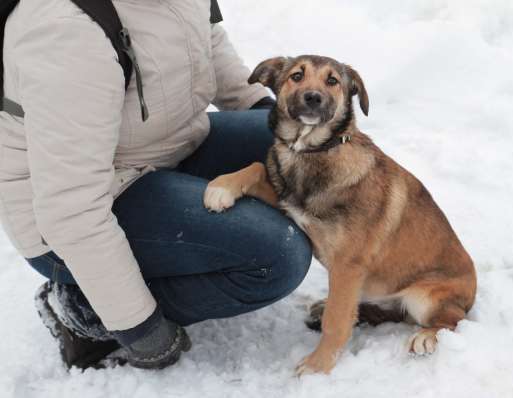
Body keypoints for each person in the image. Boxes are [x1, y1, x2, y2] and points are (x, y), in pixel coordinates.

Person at [0, 0, 312, 370]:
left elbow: (204, 41)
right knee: (277, 255)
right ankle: (83, 310)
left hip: (163, 149)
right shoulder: (66, 32)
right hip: (80, 212)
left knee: (309, 150)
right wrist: (140, 330)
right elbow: (70, 210)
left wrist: (269, 128)